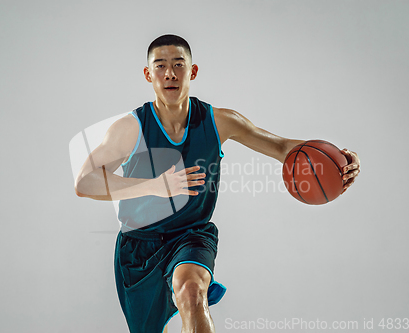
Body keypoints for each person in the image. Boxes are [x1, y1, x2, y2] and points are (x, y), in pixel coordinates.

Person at [74, 34, 360, 333]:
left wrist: (341, 159)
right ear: (148, 75)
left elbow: (282, 147)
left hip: (191, 235)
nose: (170, 73)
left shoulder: (218, 121)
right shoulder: (131, 129)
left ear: (192, 71)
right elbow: (85, 181)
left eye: (178, 64)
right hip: (138, 247)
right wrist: (155, 186)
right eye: (160, 66)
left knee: (190, 292)